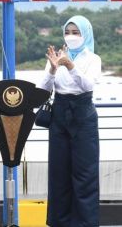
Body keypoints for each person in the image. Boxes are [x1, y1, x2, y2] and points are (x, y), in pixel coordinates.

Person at [38, 15, 101, 226]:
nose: (71, 36)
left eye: (76, 32)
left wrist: (71, 66)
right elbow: (43, 89)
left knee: (85, 174)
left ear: (86, 34)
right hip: (59, 116)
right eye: (68, 32)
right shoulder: (57, 57)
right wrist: (54, 68)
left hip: (83, 116)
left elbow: (88, 86)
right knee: (59, 173)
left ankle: (85, 223)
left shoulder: (93, 59)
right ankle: (59, 222)